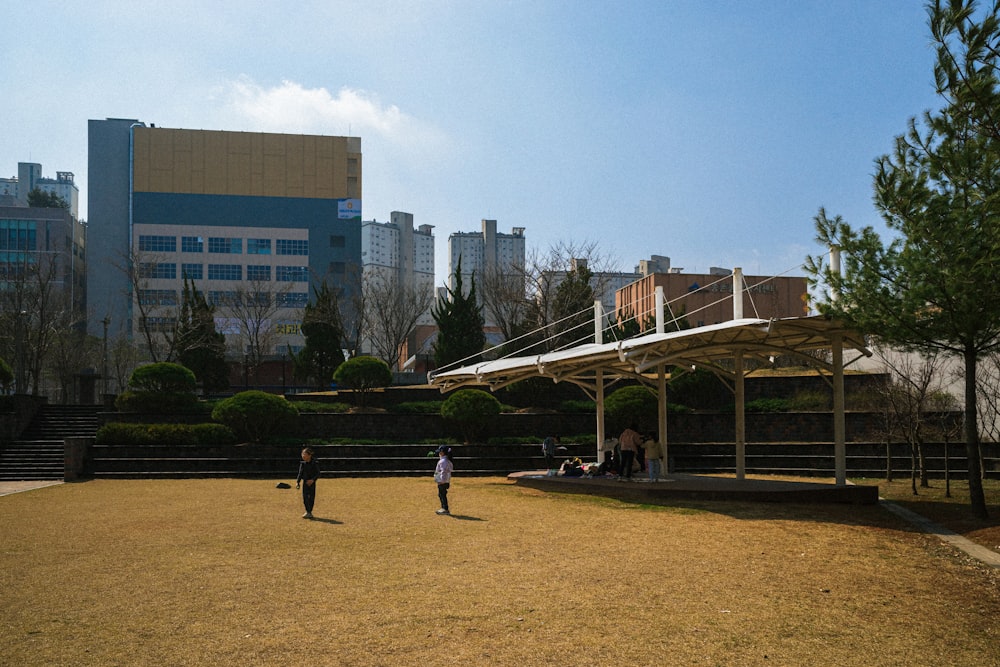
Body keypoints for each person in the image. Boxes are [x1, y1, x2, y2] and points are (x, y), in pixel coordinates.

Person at [295, 447, 320, 519]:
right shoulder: (302, 464)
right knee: (305, 497)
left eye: (304, 454)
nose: (303, 456)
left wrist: (312, 480)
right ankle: (307, 511)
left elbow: (318, 473)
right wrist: (298, 482)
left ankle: (310, 512)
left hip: (312, 483)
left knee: (311, 497)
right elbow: (300, 473)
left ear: (309, 455)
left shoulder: (315, 463)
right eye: (302, 454)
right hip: (305, 482)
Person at [434, 445, 454, 515]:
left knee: (442, 494)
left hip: (443, 481)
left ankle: (445, 508)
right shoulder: (447, 460)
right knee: (441, 494)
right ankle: (444, 508)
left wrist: (442, 480)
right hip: (446, 480)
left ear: (442, 452)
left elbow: (444, 471)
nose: (439, 453)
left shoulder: (443, 461)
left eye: (440, 452)